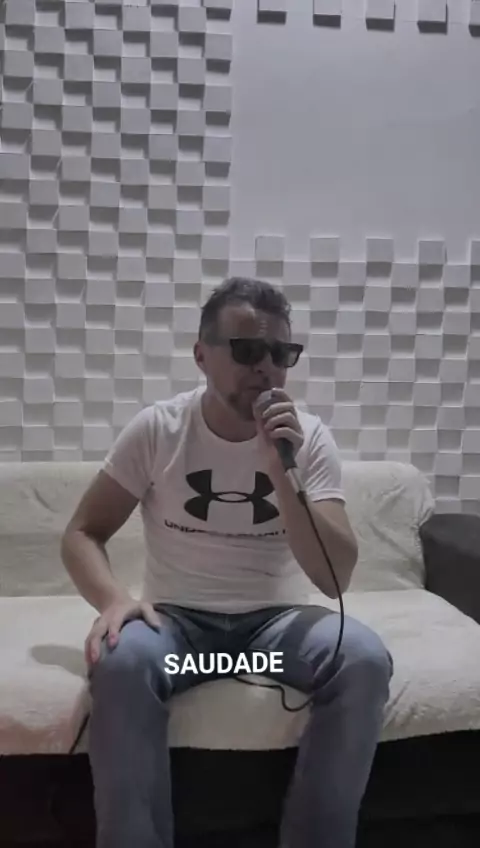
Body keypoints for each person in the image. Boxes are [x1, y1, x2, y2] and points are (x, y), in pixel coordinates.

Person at [61, 276, 393, 848]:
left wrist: (281, 468)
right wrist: (114, 600)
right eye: (246, 349)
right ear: (201, 355)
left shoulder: (308, 439)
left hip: (276, 629)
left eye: (281, 353)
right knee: (121, 661)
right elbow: (81, 533)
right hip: (179, 629)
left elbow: (334, 577)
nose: (265, 367)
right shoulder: (160, 429)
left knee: (363, 659)